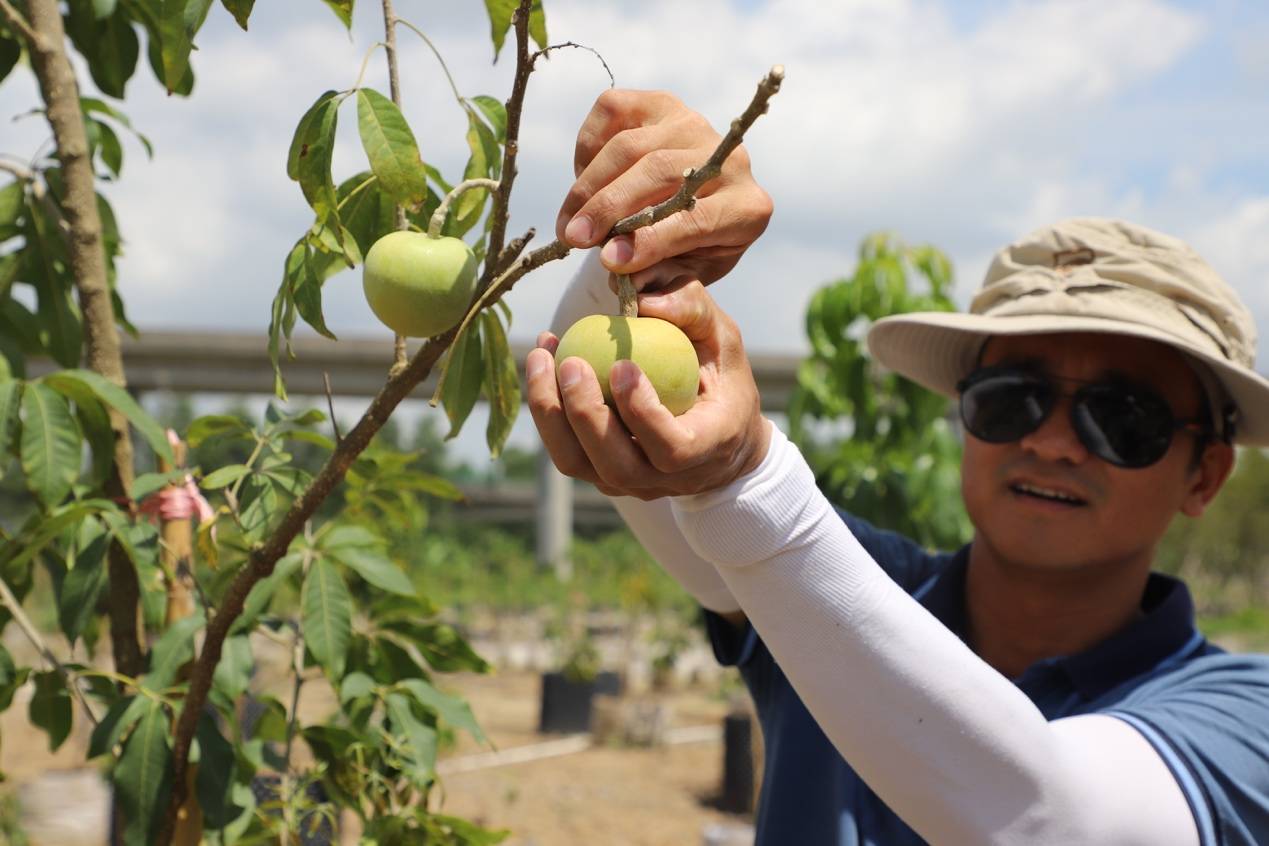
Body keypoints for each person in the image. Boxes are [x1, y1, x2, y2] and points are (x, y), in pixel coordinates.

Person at [526, 89, 1269, 845]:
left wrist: (747, 477)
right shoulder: (849, 587)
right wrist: (655, 234)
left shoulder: (1245, 716)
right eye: (1012, 398)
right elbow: (603, 384)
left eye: (1121, 417)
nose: (1050, 442)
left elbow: (1057, 821)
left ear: (1204, 475)